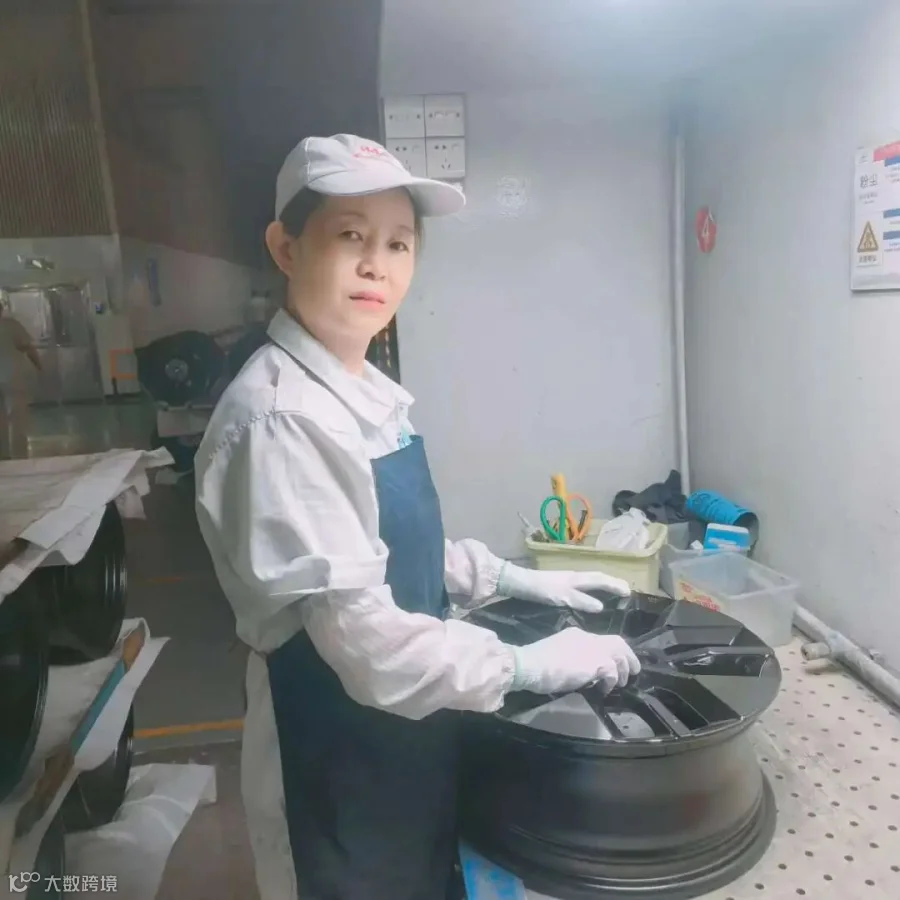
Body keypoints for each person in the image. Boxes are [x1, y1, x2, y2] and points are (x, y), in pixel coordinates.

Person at [195, 134, 641, 900]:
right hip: (332, 752)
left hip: (404, 728)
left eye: (399, 243)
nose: (378, 265)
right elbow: (367, 646)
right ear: (285, 248)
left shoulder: (360, 389)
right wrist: (529, 665)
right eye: (350, 236)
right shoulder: (283, 419)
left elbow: (389, 546)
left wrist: (513, 578)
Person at [0, 301, 41, 459]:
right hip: (13, 377)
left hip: (11, 377)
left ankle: (2, 457)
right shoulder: (11, 325)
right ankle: (19, 457)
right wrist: (39, 366)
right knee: (17, 418)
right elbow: (28, 348)